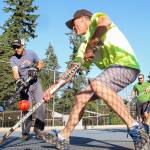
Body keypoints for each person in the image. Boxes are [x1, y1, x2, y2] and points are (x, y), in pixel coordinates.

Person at [43, 9, 150, 149]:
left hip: (126, 65)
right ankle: (63, 136)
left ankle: (135, 128)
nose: (73, 28)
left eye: (73, 24)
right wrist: (54, 87)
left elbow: (104, 23)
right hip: (112, 71)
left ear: (82, 18)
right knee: (81, 97)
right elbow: (72, 70)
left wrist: (91, 46)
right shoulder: (83, 46)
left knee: (96, 83)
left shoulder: (95, 19)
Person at [10, 39, 45, 141]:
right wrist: (19, 80)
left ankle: (38, 130)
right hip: (24, 87)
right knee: (26, 109)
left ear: (23, 46)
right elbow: (15, 73)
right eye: (14, 47)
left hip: (35, 84)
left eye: (18, 46)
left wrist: (36, 69)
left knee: (41, 105)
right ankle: (25, 133)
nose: (16, 49)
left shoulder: (31, 53)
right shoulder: (13, 59)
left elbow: (41, 63)